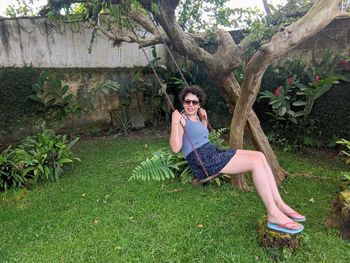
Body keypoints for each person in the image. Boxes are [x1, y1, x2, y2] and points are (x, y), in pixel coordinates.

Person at [169, 85, 305, 234]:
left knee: (259, 156)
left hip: (212, 152)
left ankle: (280, 204)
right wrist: (175, 122)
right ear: (182, 102)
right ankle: (273, 214)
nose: (190, 105)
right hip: (204, 161)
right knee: (255, 163)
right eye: (187, 101)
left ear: (199, 104)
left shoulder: (196, 117)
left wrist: (204, 120)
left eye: (194, 102)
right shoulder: (181, 119)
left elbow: (200, 137)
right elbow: (176, 148)